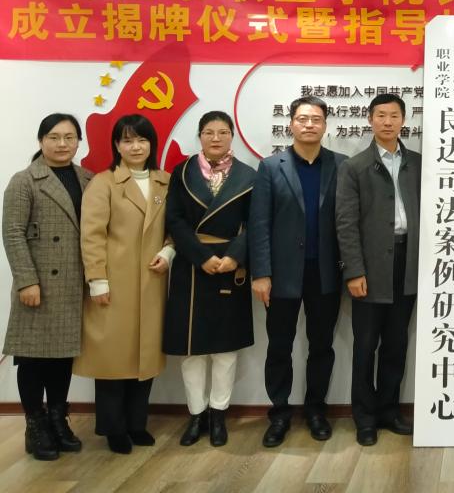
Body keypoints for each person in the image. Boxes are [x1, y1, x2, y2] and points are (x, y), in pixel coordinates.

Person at [249, 96, 348, 448]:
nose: (309, 125)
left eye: (316, 119)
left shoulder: (341, 165)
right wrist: (261, 273)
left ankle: (316, 411)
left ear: (325, 125)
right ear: (290, 123)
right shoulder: (270, 167)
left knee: (322, 346)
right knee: (279, 346)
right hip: (282, 275)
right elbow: (259, 224)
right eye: (303, 119)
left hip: (326, 273)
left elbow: (347, 221)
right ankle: (279, 414)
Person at [75, 114, 173, 454]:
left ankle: (136, 423)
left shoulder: (165, 182)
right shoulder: (103, 184)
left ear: (151, 144)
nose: (135, 147)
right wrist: (97, 280)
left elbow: (176, 226)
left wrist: (169, 251)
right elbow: (91, 235)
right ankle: (112, 427)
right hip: (114, 283)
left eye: (142, 140)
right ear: (116, 145)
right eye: (127, 140)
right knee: (112, 359)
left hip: (151, 283)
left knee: (145, 356)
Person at [163, 110, 256, 448]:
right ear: (200, 136)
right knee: (192, 351)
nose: (216, 138)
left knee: (225, 350)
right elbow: (174, 220)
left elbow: (255, 223)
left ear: (232, 136)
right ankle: (196, 414)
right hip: (192, 265)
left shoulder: (248, 175)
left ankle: (219, 414)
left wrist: (235, 256)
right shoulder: (182, 171)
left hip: (230, 267)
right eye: (209, 132)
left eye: (222, 132)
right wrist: (201, 256)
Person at [3, 114, 92, 460]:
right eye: (54, 137)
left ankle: (58, 419)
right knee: (32, 358)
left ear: (78, 141)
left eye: (69, 137)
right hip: (38, 284)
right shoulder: (24, 180)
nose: (62, 144)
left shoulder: (88, 179)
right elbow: (12, 233)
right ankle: (35, 425)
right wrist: (27, 280)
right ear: (41, 141)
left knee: (61, 357)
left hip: (72, 283)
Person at [337, 93, 421, 447]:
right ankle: (365, 417)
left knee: (396, 343)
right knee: (365, 345)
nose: (388, 122)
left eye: (394, 116)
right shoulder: (354, 166)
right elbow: (345, 224)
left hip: (408, 263)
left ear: (404, 120)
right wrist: (354, 271)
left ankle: (389, 410)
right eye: (381, 115)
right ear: (370, 119)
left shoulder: (419, 163)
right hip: (370, 268)